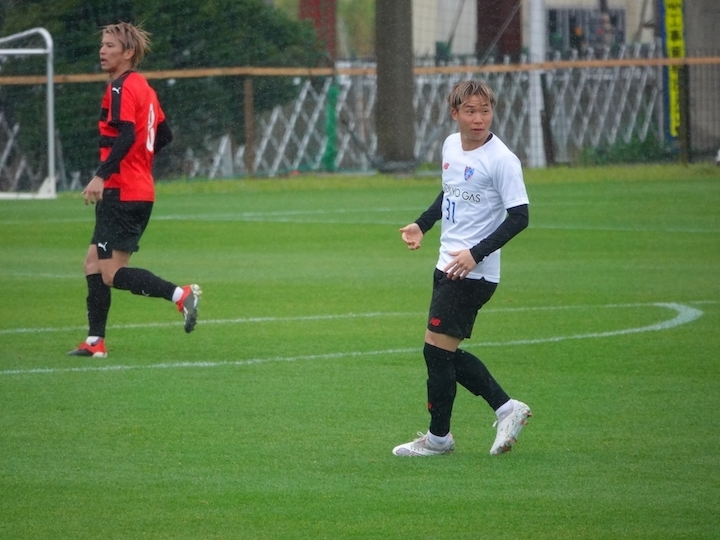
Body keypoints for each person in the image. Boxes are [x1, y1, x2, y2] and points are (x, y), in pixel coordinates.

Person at [392, 80, 531, 457]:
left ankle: (440, 439)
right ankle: (505, 409)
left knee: (436, 353)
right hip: (447, 266)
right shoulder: (451, 146)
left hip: (473, 274)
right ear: (455, 113)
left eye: (485, 111)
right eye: (470, 111)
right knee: (439, 353)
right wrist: (422, 224)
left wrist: (476, 254)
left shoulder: (501, 159)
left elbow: (520, 217)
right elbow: (449, 191)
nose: (479, 118)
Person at [67, 22, 201, 358]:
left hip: (121, 192)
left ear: (128, 53)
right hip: (137, 190)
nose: (102, 51)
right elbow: (164, 135)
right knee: (92, 264)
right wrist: (139, 162)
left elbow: (127, 134)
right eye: (102, 44)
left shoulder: (120, 88)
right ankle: (95, 342)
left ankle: (180, 295)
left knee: (111, 273)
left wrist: (102, 175)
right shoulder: (144, 88)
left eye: (110, 46)